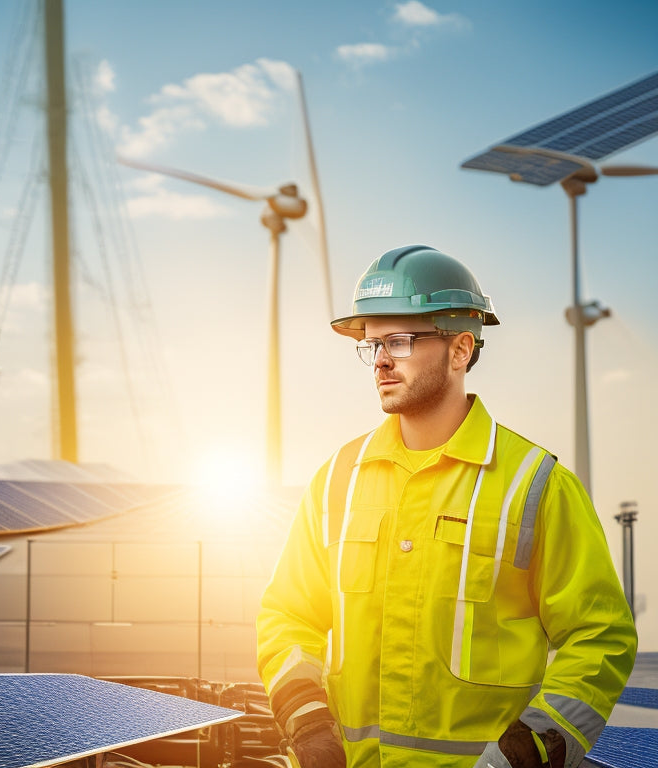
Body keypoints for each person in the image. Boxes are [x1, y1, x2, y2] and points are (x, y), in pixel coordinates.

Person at [256, 245, 637, 768]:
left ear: (461, 349)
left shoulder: (535, 486)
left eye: (402, 341)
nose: (382, 360)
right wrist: (308, 720)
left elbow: (601, 637)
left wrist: (532, 747)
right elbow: (287, 615)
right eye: (373, 345)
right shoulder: (336, 481)